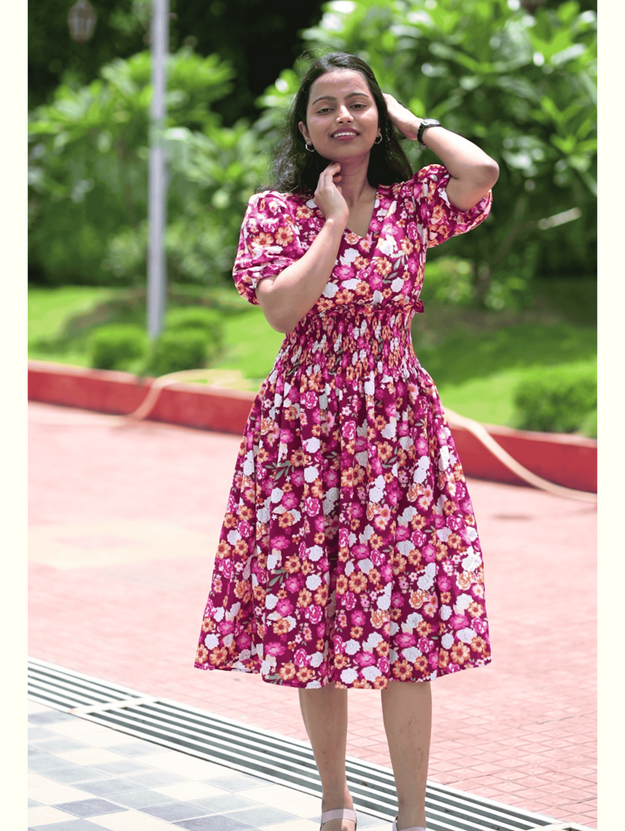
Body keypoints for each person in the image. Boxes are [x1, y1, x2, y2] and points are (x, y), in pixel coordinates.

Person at [195, 52, 499, 831]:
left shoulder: (410, 203)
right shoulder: (273, 211)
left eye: (356, 103)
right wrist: (330, 222)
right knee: (310, 615)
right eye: (324, 106)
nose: (341, 117)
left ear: (376, 115)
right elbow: (282, 311)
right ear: (303, 127)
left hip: (398, 431)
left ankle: (412, 818)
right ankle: (335, 801)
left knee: (407, 624)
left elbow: (481, 170)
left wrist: (412, 121)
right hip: (302, 430)